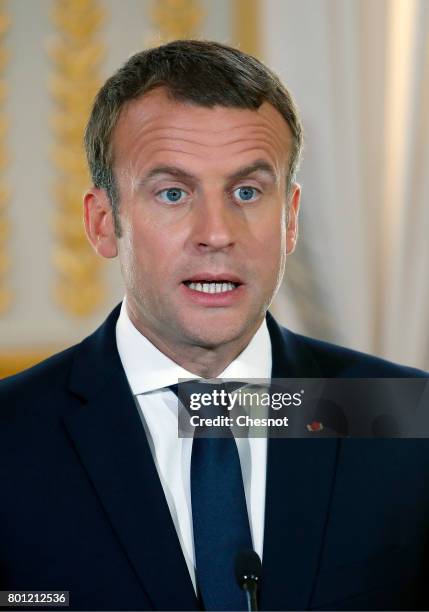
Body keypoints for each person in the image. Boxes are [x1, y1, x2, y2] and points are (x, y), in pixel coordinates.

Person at [0, 40, 428, 612]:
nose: (216, 232)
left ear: (290, 219)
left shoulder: (405, 419)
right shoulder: (11, 437)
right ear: (104, 223)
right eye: (173, 193)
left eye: (247, 192)